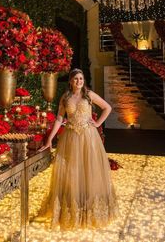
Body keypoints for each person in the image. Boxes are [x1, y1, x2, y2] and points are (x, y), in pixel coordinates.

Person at [39, 68, 118, 230]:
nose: (79, 81)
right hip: (70, 138)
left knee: (89, 170)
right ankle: (73, 209)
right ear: (70, 81)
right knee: (72, 172)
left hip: (88, 137)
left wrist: (97, 123)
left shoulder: (89, 95)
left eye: (81, 79)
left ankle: (90, 209)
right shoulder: (66, 97)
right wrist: (49, 139)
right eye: (76, 79)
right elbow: (60, 118)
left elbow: (107, 107)